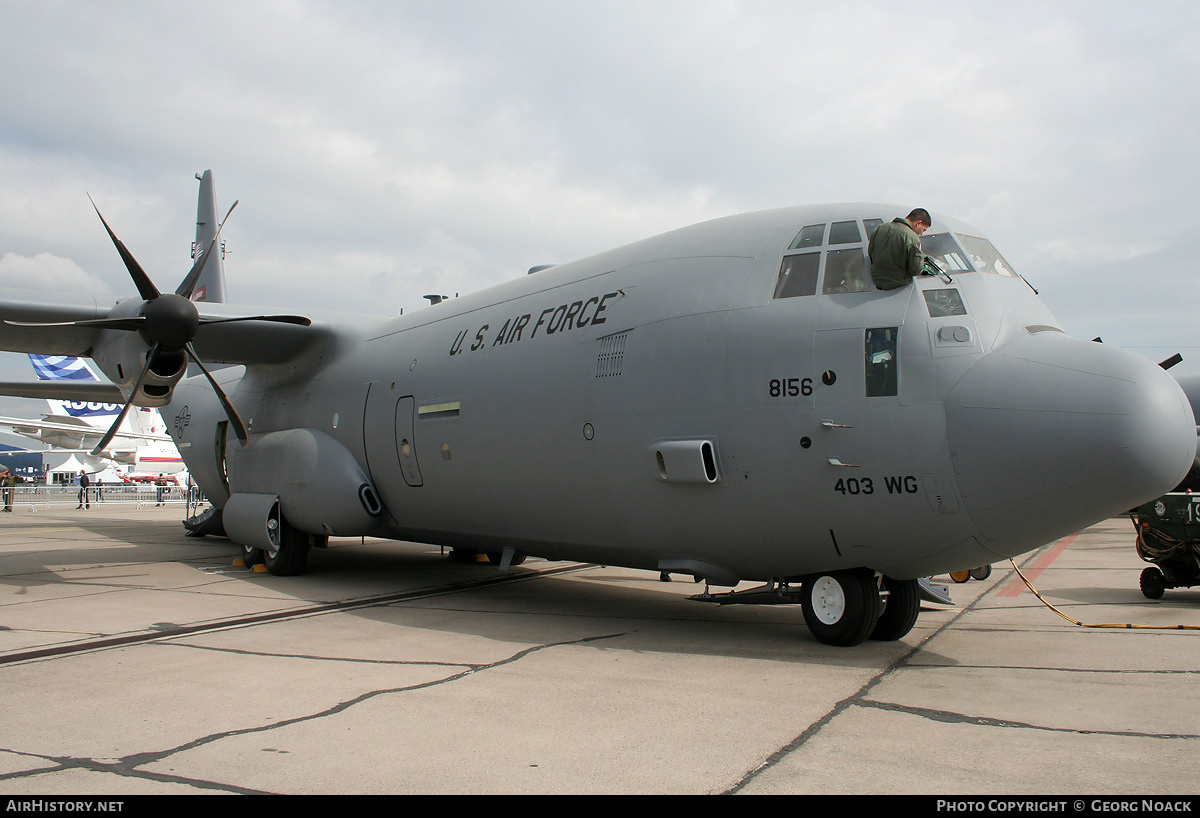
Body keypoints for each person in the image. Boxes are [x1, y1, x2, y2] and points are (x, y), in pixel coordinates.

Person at [868, 208, 932, 291]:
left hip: (876, 281)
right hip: (899, 284)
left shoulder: (880, 228)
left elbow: (871, 253)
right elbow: (915, 270)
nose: (921, 233)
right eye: (923, 230)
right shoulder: (913, 238)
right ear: (918, 223)